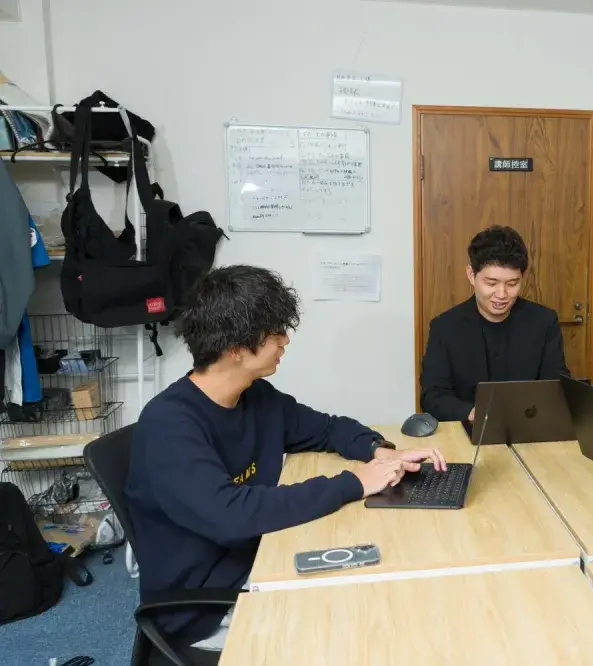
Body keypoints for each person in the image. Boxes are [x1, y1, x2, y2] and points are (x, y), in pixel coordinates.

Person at [125, 265, 446, 652]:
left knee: (378, 579)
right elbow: (231, 515)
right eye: (275, 333)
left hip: (259, 555)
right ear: (235, 350)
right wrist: (355, 482)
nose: (285, 340)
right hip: (205, 604)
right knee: (360, 627)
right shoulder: (170, 425)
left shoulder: (254, 395)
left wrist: (380, 450)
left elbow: (326, 428)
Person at [420, 225, 569, 422]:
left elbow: (557, 387)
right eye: (491, 283)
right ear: (471, 275)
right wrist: (474, 413)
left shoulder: (544, 322)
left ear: (522, 277)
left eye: (512, 284)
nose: (501, 294)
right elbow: (432, 396)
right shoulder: (445, 327)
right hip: (468, 429)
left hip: (528, 427)